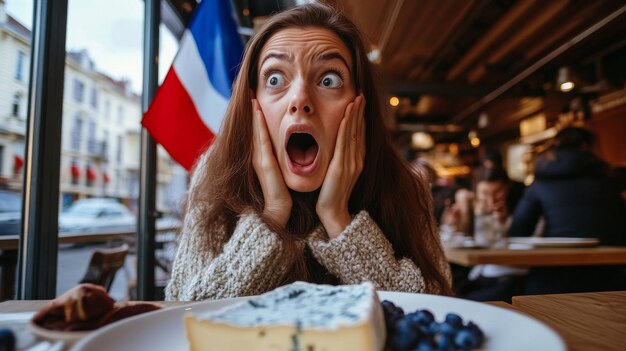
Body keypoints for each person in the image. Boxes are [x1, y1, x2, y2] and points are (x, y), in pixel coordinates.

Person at [165, 3, 452, 301]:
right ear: (253, 104)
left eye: (329, 80)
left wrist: (338, 219)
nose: (300, 98)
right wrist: (272, 215)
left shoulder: (408, 186)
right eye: (275, 79)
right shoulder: (214, 177)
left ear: (359, 105)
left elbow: (435, 310)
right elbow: (184, 314)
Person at [509, 126, 626, 294]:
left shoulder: (540, 183)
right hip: (612, 281)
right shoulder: (610, 181)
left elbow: (518, 231)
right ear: (587, 147)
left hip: (552, 280)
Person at [455, 167, 527, 302]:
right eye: (485, 193)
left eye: (497, 192)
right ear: (476, 191)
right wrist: (466, 214)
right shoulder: (470, 206)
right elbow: (462, 238)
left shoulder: (522, 206)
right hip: (480, 274)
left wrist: (504, 222)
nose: (491, 198)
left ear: (507, 188)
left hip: (510, 277)